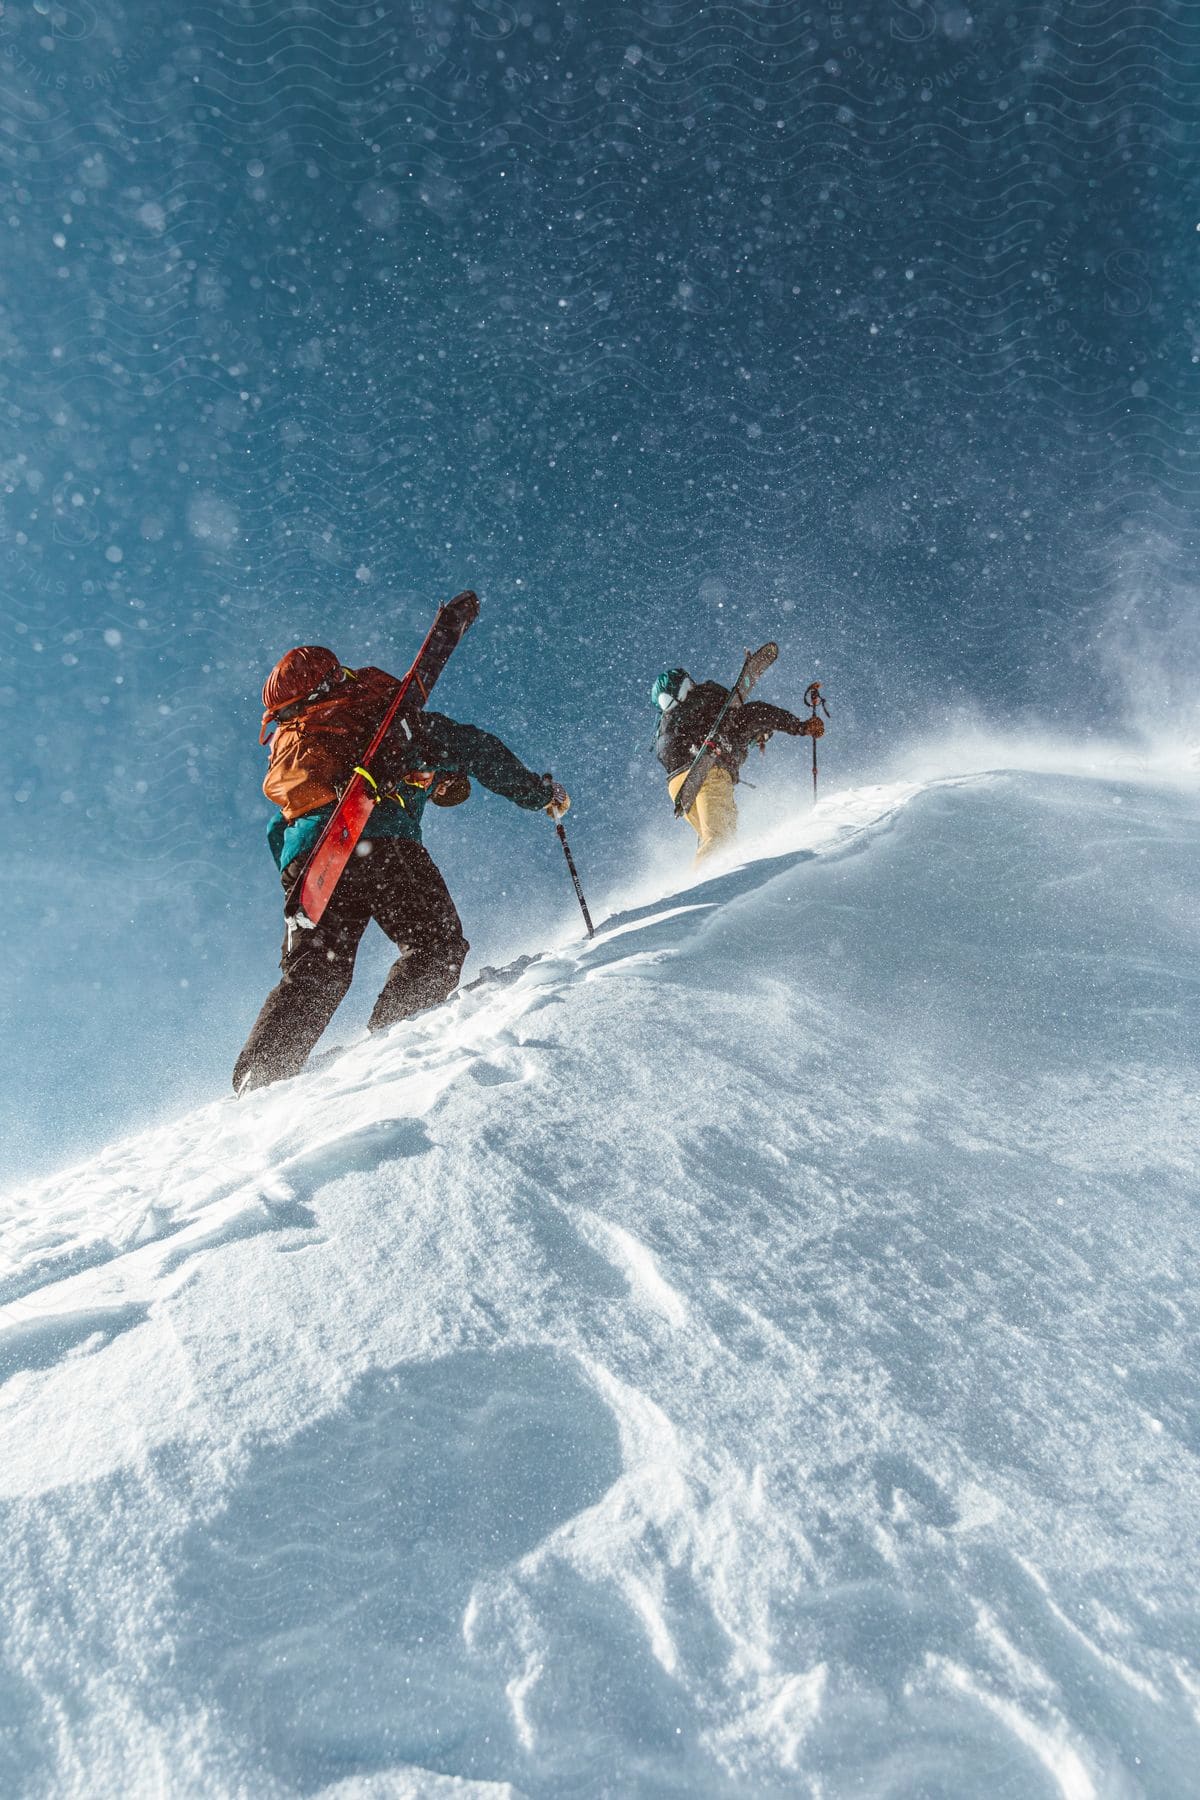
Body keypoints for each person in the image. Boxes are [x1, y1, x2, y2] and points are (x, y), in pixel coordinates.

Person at [234, 643, 569, 1093]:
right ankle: (393, 1037)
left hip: (311, 861)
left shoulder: (302, 747)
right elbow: (479, 747)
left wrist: (295, 879)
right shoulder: (386, 719)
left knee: (318, 972)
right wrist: (540, 794)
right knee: (435, 945)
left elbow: (282, 827)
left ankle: (260, 1075)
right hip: (378, 842)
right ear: (339, 678)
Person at [651, 665, 823, 863]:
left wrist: (752, 735)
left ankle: (710, 883)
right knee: (719, 841)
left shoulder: (668, 723)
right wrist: (800, 727)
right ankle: (711, 891)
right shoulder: (708, 699)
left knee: (715, 841)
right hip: (708, 771)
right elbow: (755, 713)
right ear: (685, 685)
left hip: (678, 786)